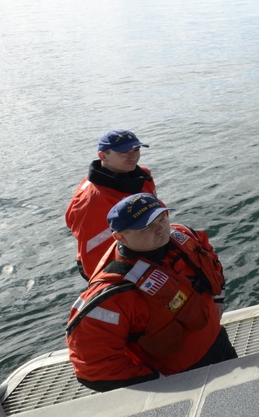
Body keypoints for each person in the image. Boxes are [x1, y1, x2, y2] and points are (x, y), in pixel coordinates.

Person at [66, 193, 236, 392]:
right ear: (119, 237)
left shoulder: (183, 236)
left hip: (219, 344)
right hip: (181, 379)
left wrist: (218, 297)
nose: (161, 229)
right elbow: (92, 365)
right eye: (147, 227)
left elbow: (210, 259)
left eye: (162, 218)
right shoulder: (113, 294)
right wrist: (156, 381)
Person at [66, 130, 159, 279]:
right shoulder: (94, 201)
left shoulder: (143, 175)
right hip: (117, 265)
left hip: (146, 246)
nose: (133, 156)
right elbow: (93, 250)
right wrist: (104, 280)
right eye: (124, 152)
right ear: (103, 156)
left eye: (136, 150)